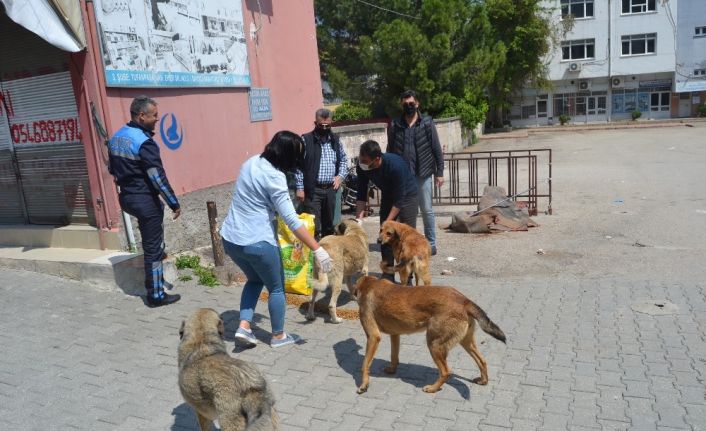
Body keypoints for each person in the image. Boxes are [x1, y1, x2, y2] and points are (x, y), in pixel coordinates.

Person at [220, 131, 333, 348]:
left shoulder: (250, 162)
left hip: (231, 239)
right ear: (287, 156)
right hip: (257, 242)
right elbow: (291, 219)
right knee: (277, 288)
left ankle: (244, 326)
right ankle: (278, 336)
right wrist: (317, 248)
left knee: (254, 279)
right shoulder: (275, 177)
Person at [108, 95, 182, 307]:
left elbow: (112, 170)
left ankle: (155, 265)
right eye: (154, 116)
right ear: (141, 116)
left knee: (151, 241)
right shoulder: (144, 143)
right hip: (145, 201)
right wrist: (173, 203)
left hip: (127, 199)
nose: (157, 120)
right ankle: (156, 295)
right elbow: (156, 177)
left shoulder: (116, 137)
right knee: (154, 249)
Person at [387, 90, 444, 256]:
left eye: (411, 103)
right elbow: (390, 150)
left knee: (427, 210)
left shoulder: (426, 122)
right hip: (403, 177)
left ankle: (431, 244)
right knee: (406, 212)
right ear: (401, 105)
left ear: (417, 103)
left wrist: (439, 172)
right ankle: (408, 244)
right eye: (405, 104)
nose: (408, 106)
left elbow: (436, 148)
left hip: (423, 173)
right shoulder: (395, 125)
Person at [355, 140, 417, 283]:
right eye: (361, 159)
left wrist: (388, 223)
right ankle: (388, 274)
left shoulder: (395, 166)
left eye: (365, 161)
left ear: (377, 159)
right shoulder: (362, 167)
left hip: (407, 197)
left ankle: (407, 278)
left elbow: (399, 200)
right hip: (388, 196)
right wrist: (359, 218)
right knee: (385, 237)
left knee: (405, 239)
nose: (362, 163)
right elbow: (361, 193)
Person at [294, 108, 348, 239]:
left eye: (327, 125)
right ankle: (316, 253)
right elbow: (299, 166)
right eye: (321, 125)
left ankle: (328, 253)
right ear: (315, 123)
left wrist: (340, 176)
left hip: (330, 189)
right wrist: (300, 188)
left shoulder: (336, 140)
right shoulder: (306, 140)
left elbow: (344, 160)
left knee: (329, 225)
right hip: (313, 190)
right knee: (314, 225)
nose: (324, 128)